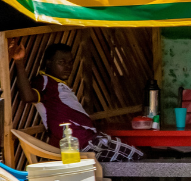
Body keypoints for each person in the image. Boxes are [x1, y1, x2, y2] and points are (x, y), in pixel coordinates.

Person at [7, 40, 143, 162]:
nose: (68, 67)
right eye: (61, 62)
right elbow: (29, 97)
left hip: (91, 139)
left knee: (136, 157)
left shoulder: (58, 83)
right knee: (138, 158)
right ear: (48, 63)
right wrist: (19, 62)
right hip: (82, 144)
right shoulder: (45, 81)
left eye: (70, 62)